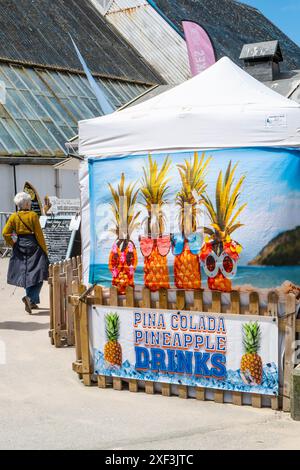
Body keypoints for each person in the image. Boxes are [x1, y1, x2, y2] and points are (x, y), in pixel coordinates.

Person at [2, 192, 49, 314]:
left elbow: (5, 233)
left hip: (20, 245)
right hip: (34, 245)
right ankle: (30, 298)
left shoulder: (14, 217)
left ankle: (32, 302)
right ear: (27, 203)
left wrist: (13, 244)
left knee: (26, 274)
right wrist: (45, 249)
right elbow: (38, 234)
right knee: (38, 273)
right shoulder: (33, 215)